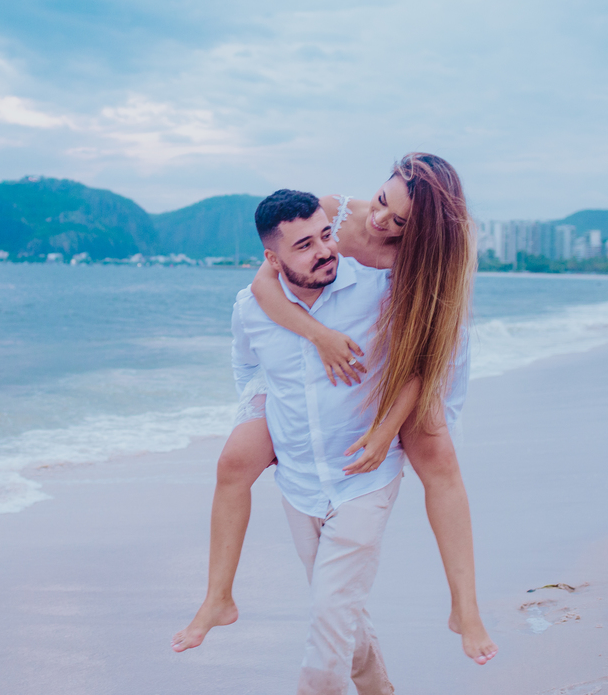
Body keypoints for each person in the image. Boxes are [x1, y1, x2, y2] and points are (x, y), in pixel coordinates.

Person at [172, 154, 498, 666]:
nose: (382, 222)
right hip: (318, 338)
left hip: (410, 357)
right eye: (385, 201)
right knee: (234, 461)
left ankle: (466, 608)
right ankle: (218, 598)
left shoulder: (427, 257)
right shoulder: (331, 212)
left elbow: (419, 358)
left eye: (400, 223)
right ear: (387, 180)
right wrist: (319, 337)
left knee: (437, 456)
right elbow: (263, 286)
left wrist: (385, 430)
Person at [231, 189, 418, 694]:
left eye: (325, 236)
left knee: (326, 630)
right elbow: (248, 369)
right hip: (298, 484)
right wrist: (261, 425)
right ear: (273, 259)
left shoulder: (378, 288)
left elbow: (420, 362)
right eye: (304, 246)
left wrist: (384, 433)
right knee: (341, 615)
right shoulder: (252, 307)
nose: (324, 251)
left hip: (364, 477)